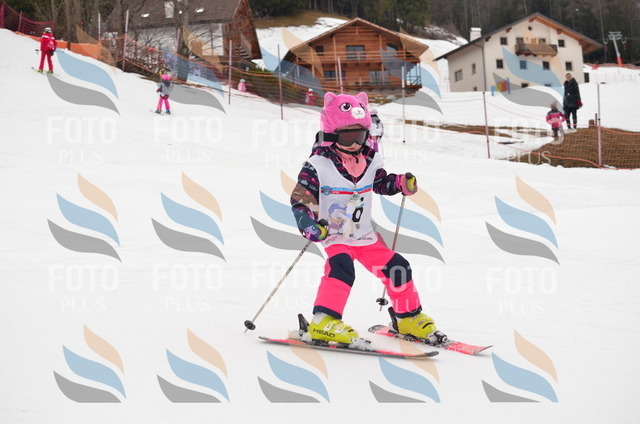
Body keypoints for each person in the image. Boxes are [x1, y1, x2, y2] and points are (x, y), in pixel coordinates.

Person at [290, 91, 446, 345]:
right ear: (331, 134)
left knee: (398, 266)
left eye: (360, 136)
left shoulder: (370, 160)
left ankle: (407, 317)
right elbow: (301, 199)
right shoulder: (317, 165)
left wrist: (399, 183)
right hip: (335, 235)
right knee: (341, 268)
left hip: (364, 236)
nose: (354, 143)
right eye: (347, 136)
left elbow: (381, 183)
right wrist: (310, 225)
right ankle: (323, 321)